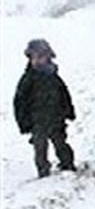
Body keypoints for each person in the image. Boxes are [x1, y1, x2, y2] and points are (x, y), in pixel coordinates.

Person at [13, 38, 76, 178]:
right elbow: (20, 102)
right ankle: (43, 170)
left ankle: (67, 164)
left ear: (48, 57)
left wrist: (69, 111)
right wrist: (23, 122)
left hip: (56, 117)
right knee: (40, 147)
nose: (37, 60)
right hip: (37, 121)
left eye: (41, 57)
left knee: (60, 143)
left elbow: (64, 94)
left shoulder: (53, 77)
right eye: (34, 57)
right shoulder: (28, 79)